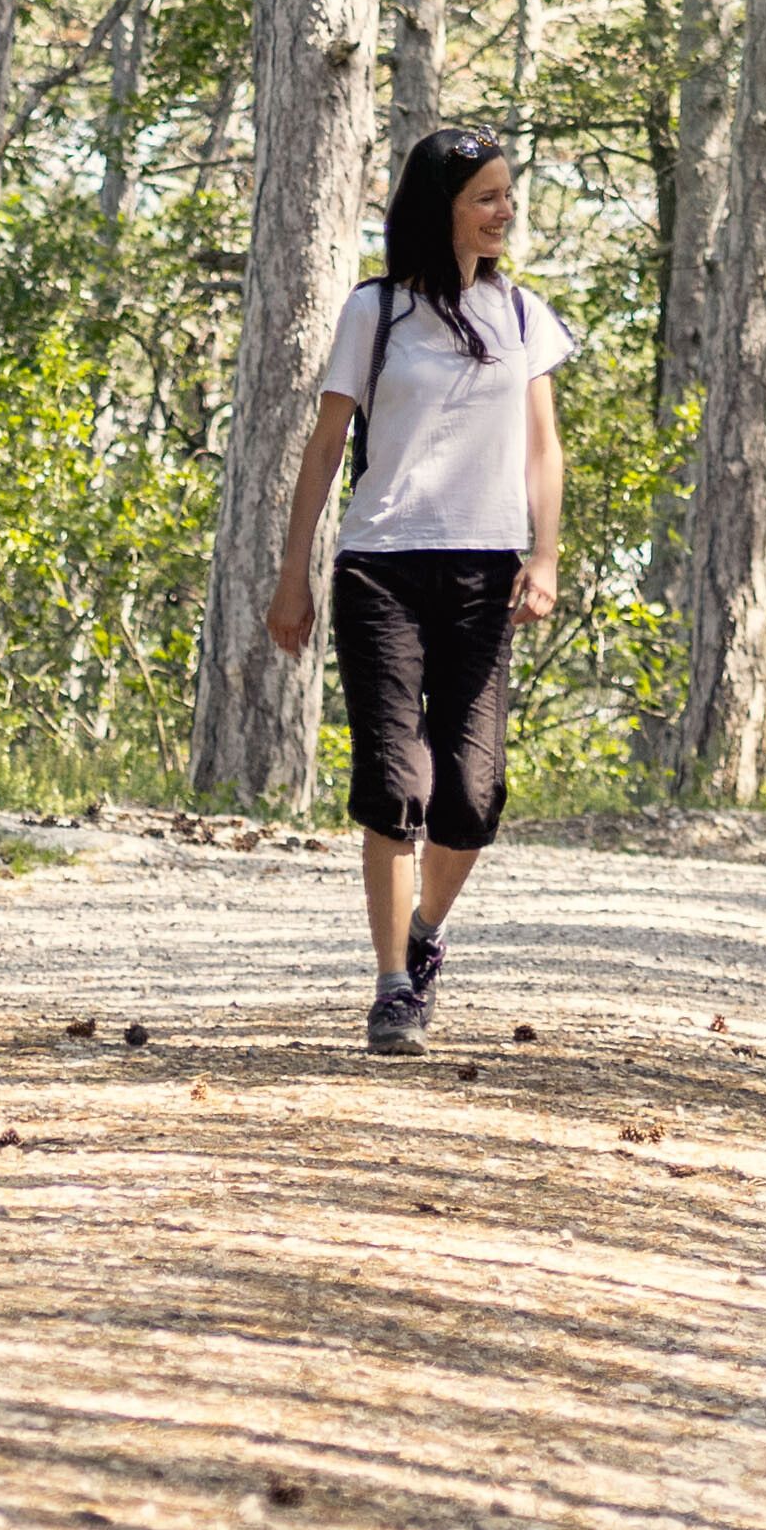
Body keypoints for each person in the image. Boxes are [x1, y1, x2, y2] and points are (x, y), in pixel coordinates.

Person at [266, 122, 568, 1055]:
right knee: (395, 780)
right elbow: (325, 446)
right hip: (382, 567)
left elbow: (542, 449)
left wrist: (545, 555)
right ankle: (393, 987)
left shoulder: (521, 315)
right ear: (440, 209)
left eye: (507, 195)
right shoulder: (376, 310)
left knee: (470, 797)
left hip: (486, 573)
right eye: (486, 197)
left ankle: (424, 933)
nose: (504, 211)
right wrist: (292, 573)